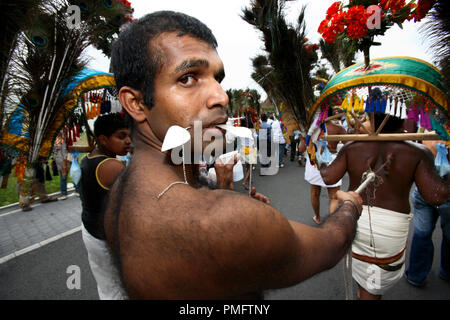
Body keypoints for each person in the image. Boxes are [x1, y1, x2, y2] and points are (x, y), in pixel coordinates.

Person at [104, 10, 363, 299]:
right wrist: (349, 207)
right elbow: (330, 244)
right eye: (188, 78)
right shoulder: (221, 222)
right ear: (136, 103)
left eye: (217, 77)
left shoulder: (123, 190)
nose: (221, 96)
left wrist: (225, 193)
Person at [320, 114, 449, 300]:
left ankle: (364, 293)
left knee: (366, 280)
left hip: (355, 220)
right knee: (371, 288)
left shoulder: (351, 147)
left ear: (372, 120)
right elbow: (436, 195)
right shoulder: (418, 151)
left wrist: (317, 157)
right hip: (388, 231)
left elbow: (328, 177)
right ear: (403, 120)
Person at [79, 113, 131, 299]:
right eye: (121, 136)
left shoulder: (88, 158)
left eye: (129, 136)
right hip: (105, 237)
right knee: (121, 288)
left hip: (90, 229)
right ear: (103, 139)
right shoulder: (112, 166)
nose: (128, 141)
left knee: (107, 286)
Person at [406, 140, 450, 286]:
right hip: (428, 194)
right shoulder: (431, 133)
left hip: (425, 191)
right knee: (423, 234)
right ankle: (443, 272)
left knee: (422, 234)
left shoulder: (429, 134)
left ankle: (416, 275)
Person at [300, 108, 347, 225]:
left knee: (315, 193)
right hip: (332, 163)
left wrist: (303, 137)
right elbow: (349, 145)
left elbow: (301, 149)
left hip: (314, 163)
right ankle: (332, 224)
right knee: (333, 196)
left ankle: (317, 217)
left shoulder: (311, 130)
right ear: (331, 115)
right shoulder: (339, 129)